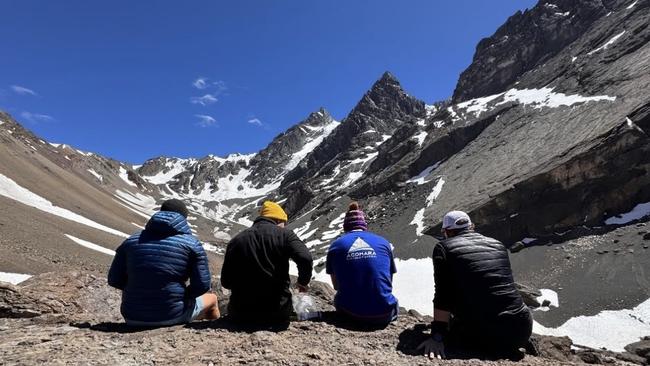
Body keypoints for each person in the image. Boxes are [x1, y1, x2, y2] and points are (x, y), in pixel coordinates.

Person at [418, 211, 532, 360]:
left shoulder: (444, 248)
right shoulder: (497, 244)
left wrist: (437, 337)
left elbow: (443, 294)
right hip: (521, 329)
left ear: (446, 231)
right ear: (472, 226)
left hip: (483, 336)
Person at [108, 199, 220, 326]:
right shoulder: (191, 243)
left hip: (132, 316)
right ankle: (212, 331)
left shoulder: (131, 241)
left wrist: (139, 289)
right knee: (212, 299)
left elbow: (113, 279)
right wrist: (182, 297)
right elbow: (203, 285)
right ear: (183, 218)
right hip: (171, 314)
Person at [221, 201, 313, 326]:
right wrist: (303, 282)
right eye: (284, 223)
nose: (284, 226)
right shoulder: (285, 235)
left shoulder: (236, 240)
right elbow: (305, 258)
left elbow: (226, 282)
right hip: (277, 313)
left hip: (240, 313)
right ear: (278, 219)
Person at [326, 202, 399, 326]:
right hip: (385, 314)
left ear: (345, 226)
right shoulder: (383, 242)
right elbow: (388, 281)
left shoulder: (336, 245)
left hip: (351, 314)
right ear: (364, 225)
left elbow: (336, 286)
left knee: (339, 299)